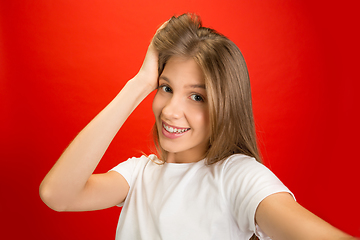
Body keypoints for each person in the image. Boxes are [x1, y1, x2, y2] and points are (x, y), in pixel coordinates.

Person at [40, 13, 356, 240]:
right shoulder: (138, 175)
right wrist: (139, 84)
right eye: (165, 88)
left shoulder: (238, 176)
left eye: (196, 96)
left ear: (224, 105)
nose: (171, 111)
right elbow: (57, 194)